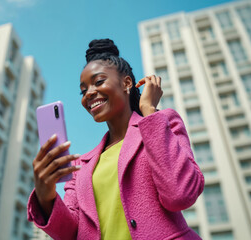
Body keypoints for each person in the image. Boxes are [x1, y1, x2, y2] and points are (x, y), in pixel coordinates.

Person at [27, 39, 204, 240]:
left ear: (127, 83)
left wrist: (150, 113)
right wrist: (46, 197)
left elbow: (181, 194)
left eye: (99, 81)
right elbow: (71, 233)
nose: (89, 93)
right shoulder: (80, 166)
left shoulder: (163, 123)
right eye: (83, 90)